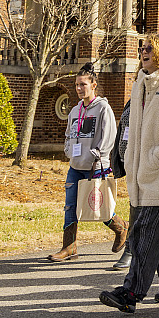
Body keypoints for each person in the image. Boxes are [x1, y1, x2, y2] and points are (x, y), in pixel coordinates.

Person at [99, 36, 159, 313]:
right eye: (142, 48)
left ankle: (131, 292)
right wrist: (129, 158)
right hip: (139, 173)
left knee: (144, 234)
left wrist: (157, 157)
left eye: (149, 48)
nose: (143, 52)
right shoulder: (140, 82)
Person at [49, 62, 127, 261]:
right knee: (70, 206)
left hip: (95, 167)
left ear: (93, 85)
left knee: (98, 208)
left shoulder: (103, 108)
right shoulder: (75, 110)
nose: (78, 88)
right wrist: (69, 151)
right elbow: (69, 134)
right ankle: (70, 247)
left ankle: (121, 228)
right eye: (76, 85)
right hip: (75, 167)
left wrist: (99, 158)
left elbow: (109, 136)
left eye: (83, 84)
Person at [107, 98, 133, 270]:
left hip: (146, 163)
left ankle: (131, 250)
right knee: (136, 208)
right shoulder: (134, 98)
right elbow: (123, 129)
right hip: (128, 162)